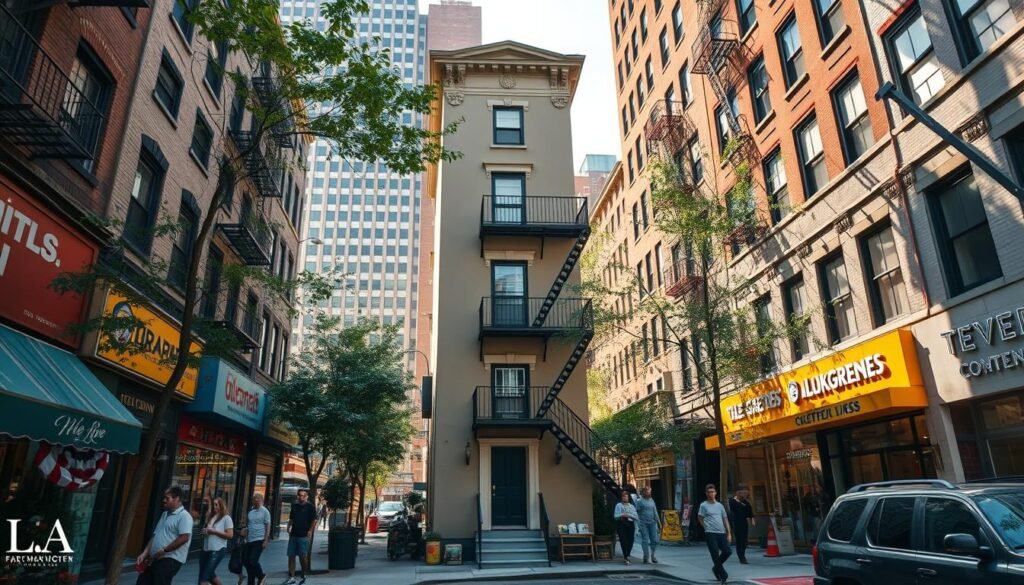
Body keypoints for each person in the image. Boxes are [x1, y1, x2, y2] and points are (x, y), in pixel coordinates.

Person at [136, 486, 194, 585]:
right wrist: (145, 553)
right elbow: (155, 535)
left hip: (169, 559)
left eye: (167, 498)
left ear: (177, 499)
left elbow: (184, 537)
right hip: (154, 558)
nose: (164, 500)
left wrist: (164, 550)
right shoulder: (165, 514)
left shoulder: (185, 516)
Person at [699, 484, 732, 585]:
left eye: (712, 492)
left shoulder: (720, 505)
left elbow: (725, 518)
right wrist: (705, 527)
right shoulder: (703, 505)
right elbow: (700, 517)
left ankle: (715, 568)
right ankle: (723, 575)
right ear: (706, 493)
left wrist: (729, 533)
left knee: (727, 551)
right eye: (709, 492)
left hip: (721, 532)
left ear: (715, 493)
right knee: (715, 554)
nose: (711, 494)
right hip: (710, 533)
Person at [199, 497, 234, 585]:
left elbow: (230, 535)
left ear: (221, 506)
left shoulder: (226, 518)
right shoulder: (211, 517)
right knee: (209, 574)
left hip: (217, 550)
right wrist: (205, 531)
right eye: (213, 504)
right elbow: (208, 530)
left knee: (204, 578)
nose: (214, 507)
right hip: (206, 549)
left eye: (216, 504)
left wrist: (214, 531)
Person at [286, 489, 317, 584]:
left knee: (303, 556)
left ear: (307, 496)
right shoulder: (294, 506)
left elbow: (314, 520)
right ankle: (292, 576)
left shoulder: (310, 507)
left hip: (303, 535)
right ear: (297, 496)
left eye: (303, 495)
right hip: (294, 534)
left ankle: (304, 572)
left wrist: (310, 531)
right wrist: (288, 527)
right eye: (299, 495)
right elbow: (291, 518)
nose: (301, 497)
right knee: (291, 555)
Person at [241, 493, 271, 585]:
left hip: (259, 539)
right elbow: (250, 525)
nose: (256, 500)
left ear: (262, 500)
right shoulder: (251, 512)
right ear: (252, 501)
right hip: (250, 539)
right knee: (246, 561)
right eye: (254, 499)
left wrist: (266, 540)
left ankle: (261, 576)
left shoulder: (265, 511)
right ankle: (251, 582)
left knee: (253, 561)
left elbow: (267, 526)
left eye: (258, 498)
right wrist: (245, 532)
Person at [635, 486, 662, 563]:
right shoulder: (639, 501)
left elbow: (655, 512)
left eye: (649, 492)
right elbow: (636, 512)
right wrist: (638, 523)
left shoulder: (652, 500)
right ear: (643, 492)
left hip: (652, 522)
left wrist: (659, 523)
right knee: (645, 540)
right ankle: (646, 556)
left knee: (655, 540)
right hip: (643, 523)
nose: (648, 493)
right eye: (647, 492)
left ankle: (653, 555)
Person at [728, 486, 754, 564]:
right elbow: (732, 508)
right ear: (736, 493)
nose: (742, 494)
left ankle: (743, 554)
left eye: (743, 492)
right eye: (740, 492)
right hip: (736, 523)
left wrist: (752, 519)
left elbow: (749, 511)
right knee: (739, 540)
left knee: (744, 541)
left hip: (744, 523)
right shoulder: (732, 501)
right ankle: (741, 557)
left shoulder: (745, 502)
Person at [613, 490, 638, 565]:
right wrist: (622, 514)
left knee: (630, 540)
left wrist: (629, 515)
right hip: (622, 523)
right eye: (623, 496)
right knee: (623, 540)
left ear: (628, 497)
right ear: (621, 498)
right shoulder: (618, 505)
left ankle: (628, 554)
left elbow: (636, 517)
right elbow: (615, 516)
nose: (624, 498)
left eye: (626, 496)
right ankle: (626, 556)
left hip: (630, 523)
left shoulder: (632, 506)